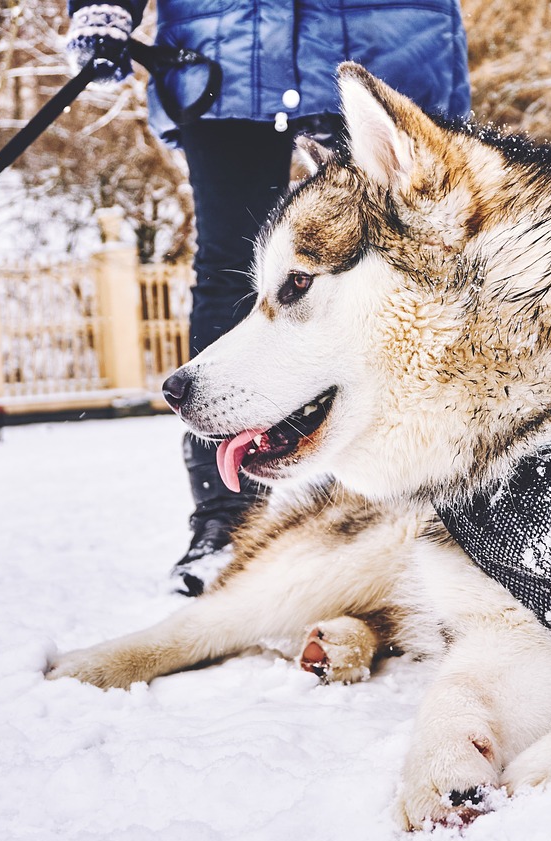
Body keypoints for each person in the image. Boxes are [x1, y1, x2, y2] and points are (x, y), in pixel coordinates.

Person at [65, 0, 471, 595]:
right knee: (234, 270)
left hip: (379, 36)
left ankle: (424, 496)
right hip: (228, 48)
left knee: (409, 264)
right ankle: (228, 517)